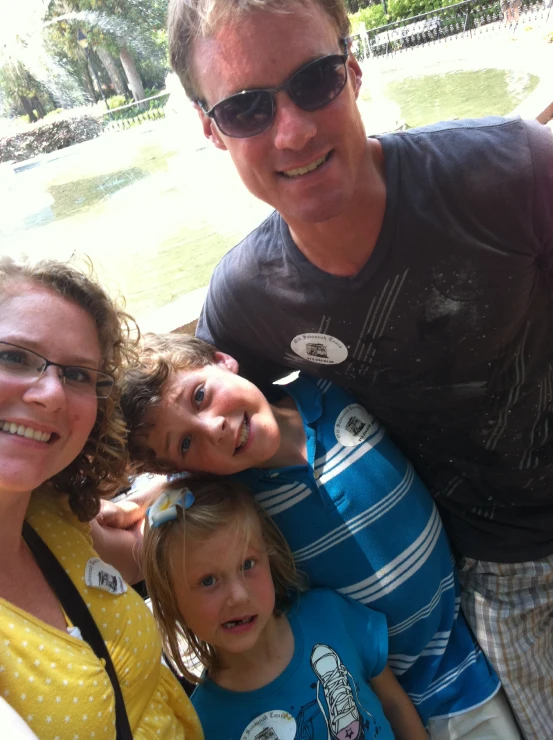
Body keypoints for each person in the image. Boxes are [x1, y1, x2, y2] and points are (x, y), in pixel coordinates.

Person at [167, 0, 553, 736]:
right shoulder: (249, 302)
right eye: (246, 108)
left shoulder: (506, 167)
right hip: (498, 579)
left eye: (314, 81)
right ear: (211, 128)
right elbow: (189, 427)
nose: (293, 129)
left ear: (352, 68)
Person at [118, 331, 521, 739]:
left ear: (223, 360)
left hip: (472, 640)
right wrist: (145, 498)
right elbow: (124, 542)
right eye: (186, 442)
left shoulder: (332, 391)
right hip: (367, 691)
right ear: (188, 470)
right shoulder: (238, 502)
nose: (214, 427)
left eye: (200, 395)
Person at [0, 257, 202, 740]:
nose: (51, 393)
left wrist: (183, 479)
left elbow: (142, 547)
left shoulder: (46, 514)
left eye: (77, 375)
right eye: (15, 356)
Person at [142, 476, 429, 740]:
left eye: (247, 564)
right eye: (208, 581)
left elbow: (394, 705)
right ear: (172, 601)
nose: (238, 596)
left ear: (270, 556)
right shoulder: (202, 724)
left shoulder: (329, 614)